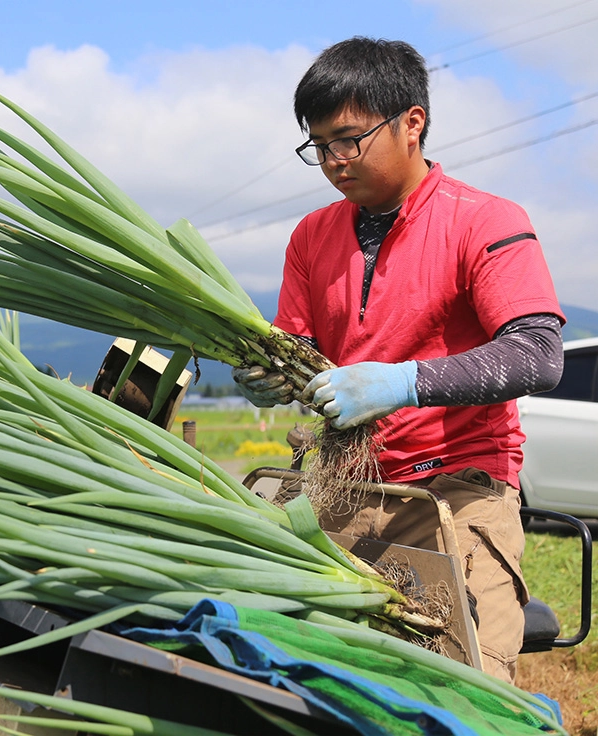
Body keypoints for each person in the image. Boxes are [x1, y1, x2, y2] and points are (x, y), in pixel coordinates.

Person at [231, 37, 564, 684]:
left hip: (459, 494)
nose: (333, 160)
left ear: (412, 123)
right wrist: (270, 372)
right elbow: (298, 346)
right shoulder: (312, 236)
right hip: (344, 488)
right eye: (319, 145)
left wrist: (406, 382)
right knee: (299, 680)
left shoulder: (484, 221)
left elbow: (538, 355)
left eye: (349, 139)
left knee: (466, 690)